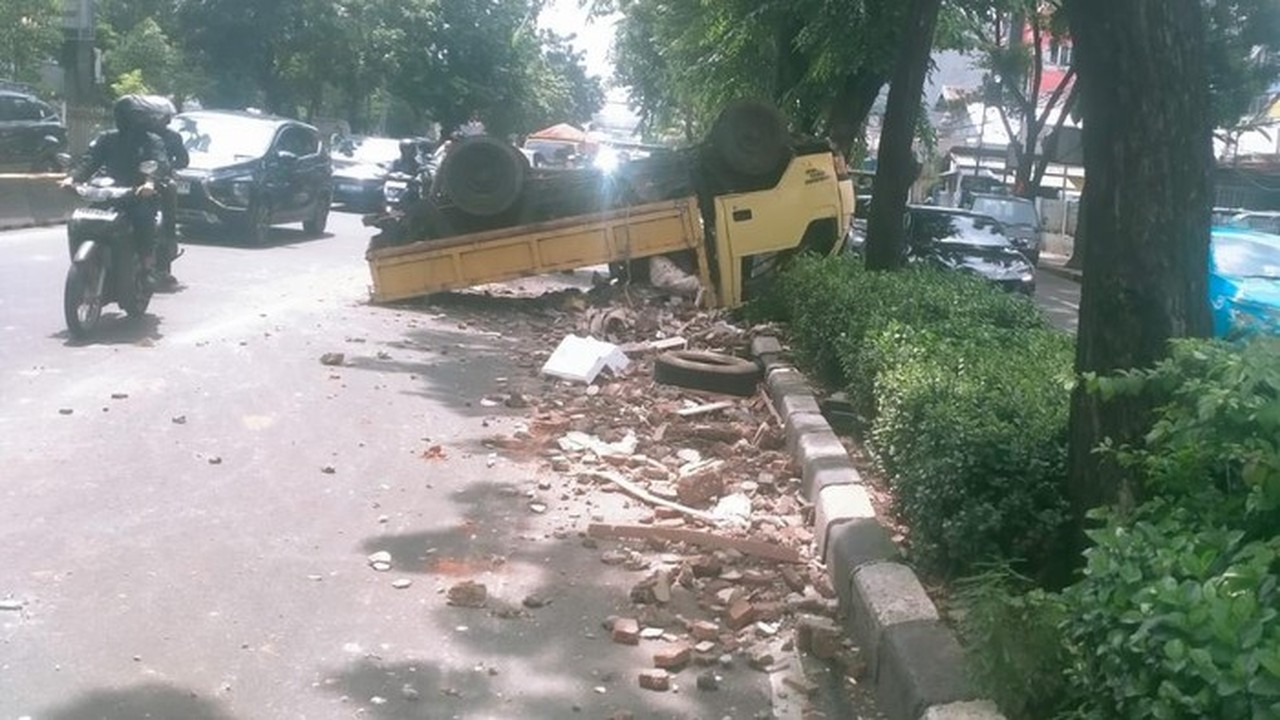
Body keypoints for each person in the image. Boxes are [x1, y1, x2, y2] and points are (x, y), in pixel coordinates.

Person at [62, 95, 170, 285]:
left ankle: (146, 266)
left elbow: (159, 163)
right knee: (82, 219)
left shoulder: (152, 141)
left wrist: (149, 183)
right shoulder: (107, 138)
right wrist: (73, 178)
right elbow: (90, 161)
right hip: (108, 192)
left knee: (142, 218)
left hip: (138, 194)